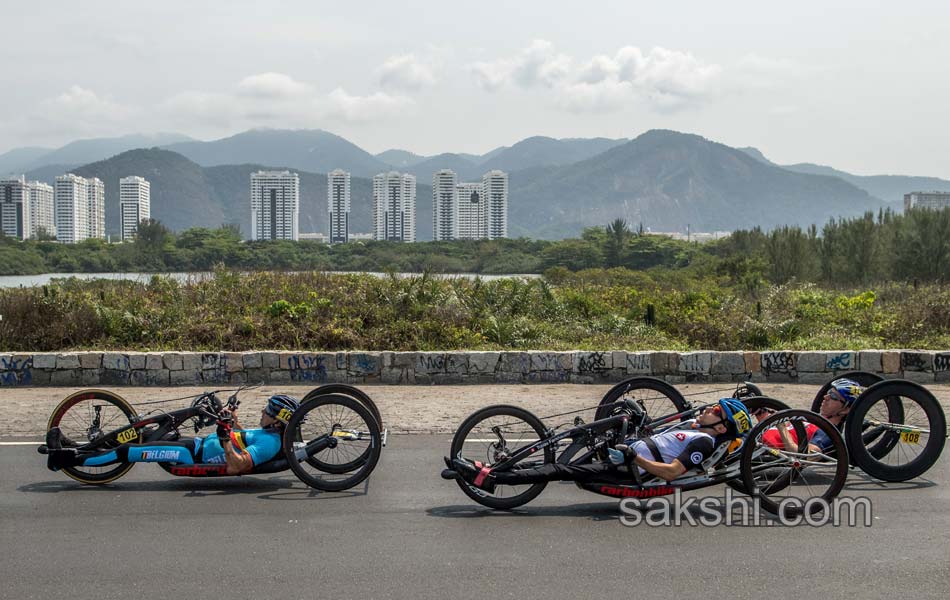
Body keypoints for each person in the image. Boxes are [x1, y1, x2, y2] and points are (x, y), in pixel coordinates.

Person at [446, 398, 753, 493]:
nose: (707, 410)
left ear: (721, 426)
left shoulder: (702, 441)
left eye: (714, 412)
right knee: (614, 421)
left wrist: (634, 455)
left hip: (627, 469)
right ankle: (492, 468)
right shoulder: (696, 427)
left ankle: (491, 478)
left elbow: (672, 472)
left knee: (559, 469)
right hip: (628, 452)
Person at [44, 394, 299, 476]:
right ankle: (78, 447)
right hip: (196, 444)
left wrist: (223, 436)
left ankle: (66, 459)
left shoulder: (269, 442)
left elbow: (237, 465)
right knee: (141, 434)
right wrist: (230, 419)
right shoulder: (266, 434)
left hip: (187, 456)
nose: (263, 412)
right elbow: (243, 438)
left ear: (278, 418)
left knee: (128, 452)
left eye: (268, 410)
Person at [759, 378, 864, 453]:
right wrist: (761, 414)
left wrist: (781, 427)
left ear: (846, 409)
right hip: (755, 438)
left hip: (760, 449)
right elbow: (777, 430)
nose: (825, 397)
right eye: (828, 392)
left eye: (833, 396)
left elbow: (803, 457)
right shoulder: (815, 420)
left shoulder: (827, 434)